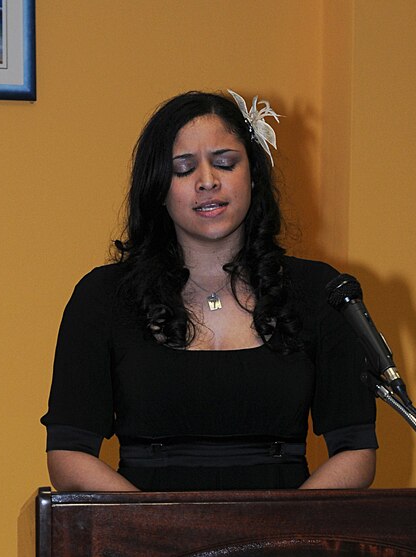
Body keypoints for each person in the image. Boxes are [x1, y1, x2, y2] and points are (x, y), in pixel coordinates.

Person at [41, 89, 378, 492]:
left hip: (289, 525)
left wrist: (286, 525)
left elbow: (355, 449)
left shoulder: (320, 290)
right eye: (183, 169)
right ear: (158, 189)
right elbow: (69, 454)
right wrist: (153, 525)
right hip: (142, 526)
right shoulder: (103, 296)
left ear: (253, 174)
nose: (207, 181)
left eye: (224, 163)